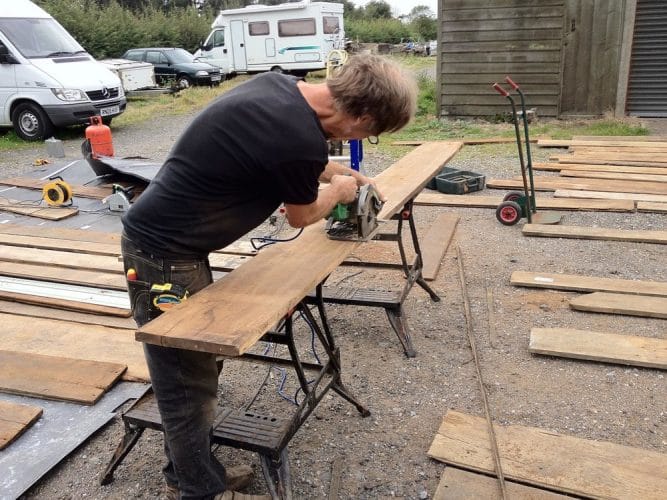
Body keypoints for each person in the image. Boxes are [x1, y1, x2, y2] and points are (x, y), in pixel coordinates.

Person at [120, 53, 416, 500]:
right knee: (186, 379)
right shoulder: (298, 137)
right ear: (362, 116)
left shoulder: (279, 88)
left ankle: (186, 471)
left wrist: (338, 171)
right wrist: (335, 191)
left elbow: (285, 155)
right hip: (161, 256)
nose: (359, 139)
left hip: (178, 247)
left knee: (191, 370)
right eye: (368, 134)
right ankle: (198, 489)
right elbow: (301, 216)